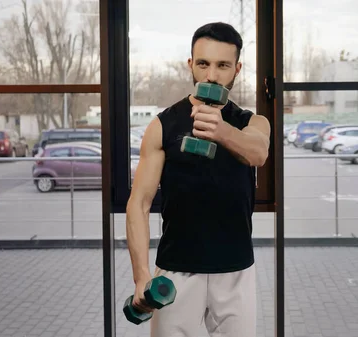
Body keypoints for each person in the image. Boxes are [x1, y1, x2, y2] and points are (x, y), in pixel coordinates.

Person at [125, 22, 271, 337]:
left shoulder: (252, 122)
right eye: (203, 63)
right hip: (176, 272)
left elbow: (258, 153)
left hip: (235, 271)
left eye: (223, 65)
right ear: (191, 64)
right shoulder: (162, 126)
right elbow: (139, 203)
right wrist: (141, 277)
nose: (211, 75)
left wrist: (222, 131)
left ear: (237, 69)